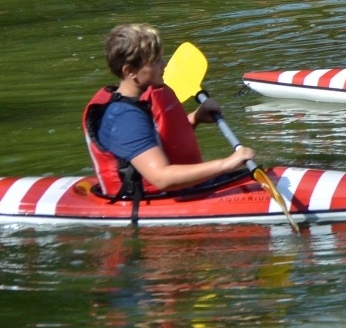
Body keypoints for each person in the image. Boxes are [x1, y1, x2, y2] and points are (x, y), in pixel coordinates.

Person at [82, 24, 253, 199]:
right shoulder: (125, 119)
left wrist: (196, 117)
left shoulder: (139, 101)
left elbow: (157, 139)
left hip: (184, 190)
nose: (164, 64)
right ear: (130, 71)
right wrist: (226, 164)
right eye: (155, 61)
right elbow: (161, 178)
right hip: (151, 201)